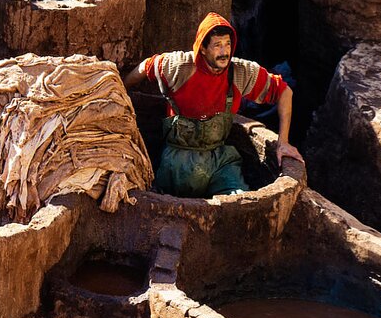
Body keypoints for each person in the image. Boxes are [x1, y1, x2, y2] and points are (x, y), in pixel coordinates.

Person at [123, 12, 304, 198]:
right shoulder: (179, 66)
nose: (224, 52)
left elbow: (284, 92)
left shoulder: (240, 72)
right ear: (202, 48)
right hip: (179, 159)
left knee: (240, 201)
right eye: (217, 45)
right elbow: (146, 66)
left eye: (227, 44)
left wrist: (283, 142)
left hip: (219, 160)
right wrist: (121, 90)